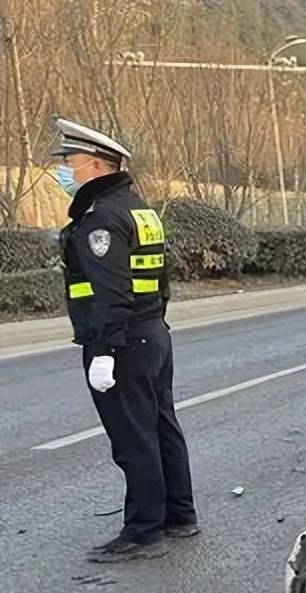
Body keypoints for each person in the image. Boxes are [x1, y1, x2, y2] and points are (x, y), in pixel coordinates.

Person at [52, 117, 198, 562]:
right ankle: (179, 515)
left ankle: (143, 532)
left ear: (96, 166)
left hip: (124, 342)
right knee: (162, 429)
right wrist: (152, 325)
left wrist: (104, 351)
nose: (64, 171)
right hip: (152, 333)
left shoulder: (102, 218)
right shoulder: (138, 208)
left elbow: (112, 293)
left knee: (133, 438)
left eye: (70, 162)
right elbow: (158, 278)